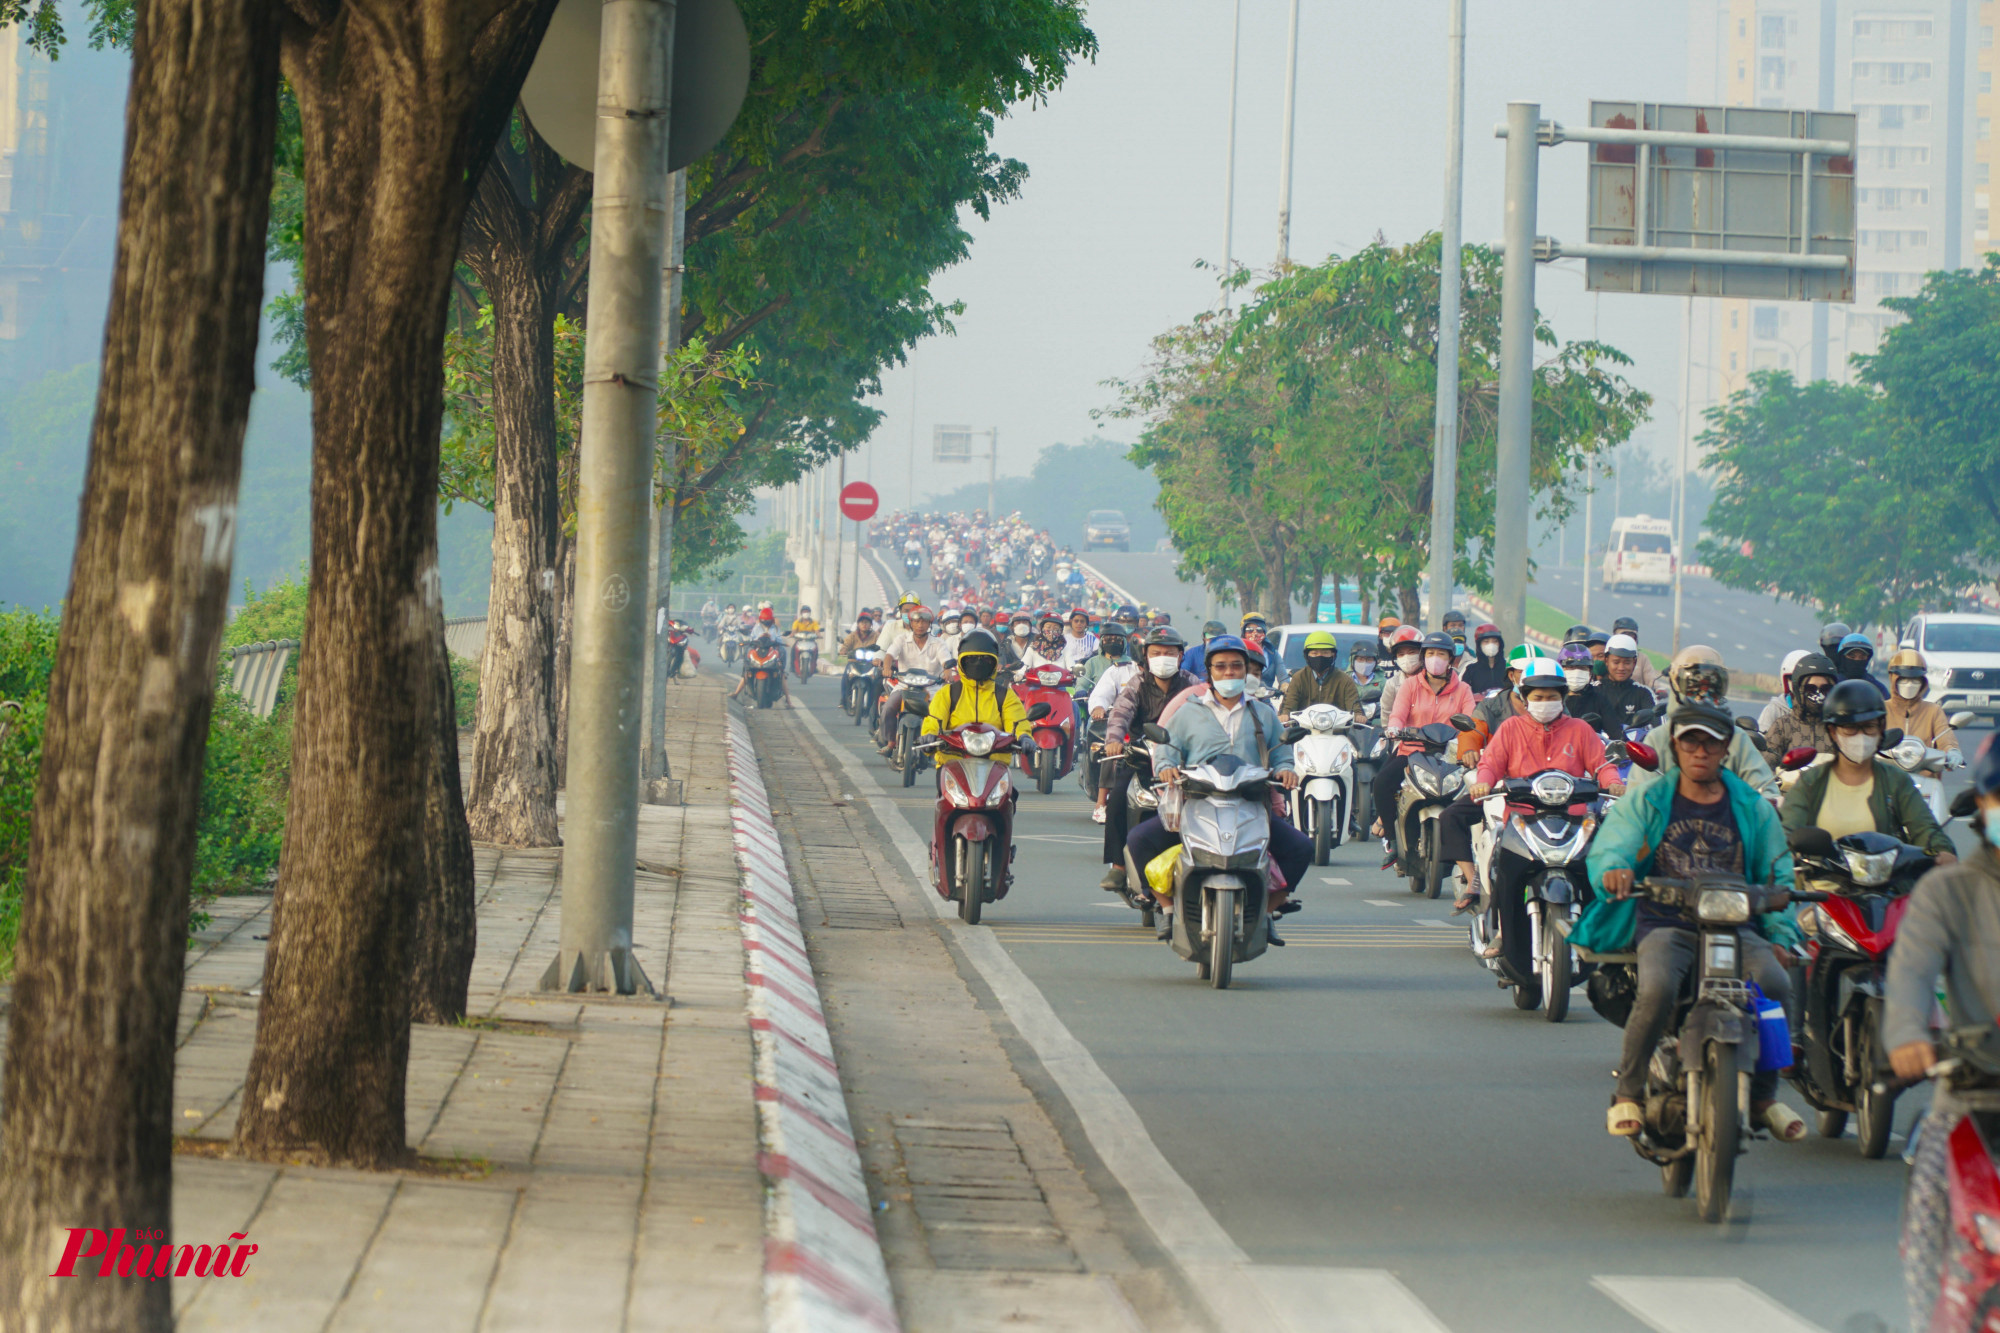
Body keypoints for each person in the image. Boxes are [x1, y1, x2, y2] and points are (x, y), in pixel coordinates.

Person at [1587, 701, 1808, 1143]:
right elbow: (1612, 846)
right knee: (1657, 988)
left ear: (1726, 748)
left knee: (1776, 984)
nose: (1700, 751)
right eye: (1691, 741)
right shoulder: (1650, 799)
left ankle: (1764, 1096)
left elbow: (1777, 872)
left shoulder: (1751, 806)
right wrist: (1615, 867)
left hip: (1737, 927)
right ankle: (1628, 1091)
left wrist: (1782, 931)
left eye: (1711, 742)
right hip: (1667, 922)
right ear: (1675, 745)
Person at [1886, 737, 2000, 1333]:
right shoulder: (1947, 892)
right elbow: (1910, 974)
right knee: (1931, 1207)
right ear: (1980, 803)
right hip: (1971, 1100)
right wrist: (1908, 1034)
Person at [1123, 636, 1309, 941]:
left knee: (1300, 849)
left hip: (1250, 804)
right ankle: (1166, 907)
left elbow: (1280, 751)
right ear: (1209, 672)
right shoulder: (1189, 711)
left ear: (1246, 670)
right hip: (1196, 801)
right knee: (1139, 839)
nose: (1229, 673)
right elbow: (1168, 746)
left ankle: (1267, 911)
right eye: (1221, 667)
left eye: (1236, 666)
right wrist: (1167, 766)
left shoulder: (1262, 713)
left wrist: (1286, 769)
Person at [1446, 659, 1624, 963]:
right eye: (1538, 697)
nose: (1545, 703)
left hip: (1574, 821)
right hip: (1521, 820)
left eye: (1553, 696)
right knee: (1506, 873)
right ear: (1526, 696)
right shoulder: (1510, 729)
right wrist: (1483, 784)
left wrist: (1614, 783)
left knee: (1597, 872)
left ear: (1563, 698)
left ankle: (1598, 933)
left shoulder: (1580, 730)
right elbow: (1491, 765)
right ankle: (1503, 931)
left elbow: (1602, 765)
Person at [1780, 679, 1956, 858]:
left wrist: (1942, 852)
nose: (1861, 736)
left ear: (1881, 728)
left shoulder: (1895, 781)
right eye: (1850, 728)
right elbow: (1786, 835)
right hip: (1821, 882)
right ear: (1833, 731)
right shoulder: (1811, 782)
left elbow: (1925, 828)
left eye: (1868, 727)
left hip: (1883, 881)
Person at [1100, 628, 1199, 891]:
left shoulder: (1192, 684)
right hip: (1141, 758)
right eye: (1156, 653)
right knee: (1117, 798)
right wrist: (1113, 740)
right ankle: (1119, 867)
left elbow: (1206, 714)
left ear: (1180, 656)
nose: (1163, 658)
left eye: (1169, 653)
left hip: (1183, 760)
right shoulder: (1137, 683)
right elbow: (1120, 713)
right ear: (1146, 656)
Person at [1371, 631, 1476, 865]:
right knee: (1382, 783)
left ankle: (1470, 850)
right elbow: (1397, 715)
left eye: (1441, 654)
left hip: (1449, 755)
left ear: (1451, 659)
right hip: (1412, 751)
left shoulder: (1464, 690)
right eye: (1430, 653)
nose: (1435, 658)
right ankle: (1392, 840)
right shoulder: (1410, 686)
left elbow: (1471, 721)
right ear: (1423, 657)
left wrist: (1470, 742)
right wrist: (1394, 729)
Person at [1624, 646, 1780, 801]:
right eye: (1692, 685)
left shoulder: (1737, 739)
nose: (1703, 694)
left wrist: (1771, 801)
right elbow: (1636, 801)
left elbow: (1763, 786)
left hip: (1726, 822)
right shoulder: (1658, 738)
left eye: (1712, 686)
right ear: (1675, 683)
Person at [921, 628, 1030, 750]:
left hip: (994, 762)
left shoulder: (1005, 696)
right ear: (961, 661)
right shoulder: (948, 693)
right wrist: (929, 734)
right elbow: (934, 719)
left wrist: (1024, 736)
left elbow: (1017, 721)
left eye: (985, 659)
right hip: (952, 759)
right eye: (971, 659)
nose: (978, 663)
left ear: (994, 662)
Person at [1457, 643, 1545, 768]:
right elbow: (1471, 732)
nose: (1530, 677)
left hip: (1549, 779)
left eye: (1536, 672)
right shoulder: (1490, 706)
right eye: (1523, 672)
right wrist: (1469, 751)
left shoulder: (1556, 706)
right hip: (1501, 776)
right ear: (1511, 675)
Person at [877, 607, 950, 752]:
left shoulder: (938, 643)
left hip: (931, 688)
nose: (920, 625)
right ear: (911, 623)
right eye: (916, 621)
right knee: (888, 708)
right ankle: (891, 742)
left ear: (930, 623)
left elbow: (946, 661)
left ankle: (938, 743)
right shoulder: (901, 639)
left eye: (924, 621)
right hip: (905, 686)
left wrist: (947, 672)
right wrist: (887, 668)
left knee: (941, 713)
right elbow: (889, 655)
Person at [1885, 648, 1963, 758]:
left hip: (1925, 773)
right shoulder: (1882, 710)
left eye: (1915, 680)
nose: (1909, 685)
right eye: (1903, 680)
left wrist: (1952, 751)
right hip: (1888, 772)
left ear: (1923, 682)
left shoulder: (1933, 711)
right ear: (1893, 679)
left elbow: (1945, 737)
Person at [1280, 630, 1361, 716]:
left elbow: (1354, 706)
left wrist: (1358, 715)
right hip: (1303, 728)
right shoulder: (1299, 678)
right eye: (1314, 653)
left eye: (1325, 653)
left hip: (1336, 728)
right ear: (1307, 656)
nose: (1320, 656)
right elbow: (1289, 704)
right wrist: (1285, 714)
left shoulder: (1345, 680)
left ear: (1333, 655)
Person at [1593, 634, 1657, 733]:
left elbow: (1656, 727)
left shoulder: (1644, 693)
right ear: (1606, 661)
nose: (1621, 668)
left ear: (1634, 663)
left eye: (1627, 663)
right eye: (1616, 662)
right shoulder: (1593, 690)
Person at [1377, 625, 1426, 723]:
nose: (1407, 657)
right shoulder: (1392, 684)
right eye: (1401, 654)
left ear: (1421, 654)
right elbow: (1387, 715)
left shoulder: (1431, 679)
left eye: (1412, 652)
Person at [730, 628, 790, 706]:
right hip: (758, 661)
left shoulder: (775, 645)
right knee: (746, 673)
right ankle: (736, 693)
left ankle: (788, 701)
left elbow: (780, 649)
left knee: (782, 675)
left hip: (771, 661)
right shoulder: (756, 632)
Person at [1757, 648, 1812, 733]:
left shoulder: (1822, 710)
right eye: (1792, 678)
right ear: (1785, 680)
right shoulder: (1774, 710)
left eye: (1804, 679)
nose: (1798, 684)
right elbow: (1762, 739)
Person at [1557, 642, 1609, 723]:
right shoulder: (1554, 699)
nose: (1577, 672)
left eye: (1582, 668)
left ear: (1590, 672)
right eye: (1571, 667)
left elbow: (1615, 732)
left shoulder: (1600, 699)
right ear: (1561, 669)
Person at [1611, 616, 1662, 692]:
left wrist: (1659, 689)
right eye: (1624, 636)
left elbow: (1651, 678)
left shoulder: (1642, 658)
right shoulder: (1609, 654)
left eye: (1632, 637)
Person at [1834, 631, 1891, 699]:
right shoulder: (1833, 685)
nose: (1857, 660)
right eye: (1852, 656)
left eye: (1862, 657)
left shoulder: (1877, 688)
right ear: (1842, 658)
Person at [1460, 622, 1510, 694]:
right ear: (1479, 644)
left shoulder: (1508, 667)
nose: (1491, 645)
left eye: (1495, 641)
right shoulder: (1470, 668)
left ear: (1500, 644)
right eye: (1486, 642)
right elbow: (1462, 694)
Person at [1240, 613, 1278, 688]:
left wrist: (1285, 685)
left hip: (1265, 697)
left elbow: (1283, 677)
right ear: (1244, 632)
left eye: (1259, 630)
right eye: (1249, 630)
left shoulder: (1273, 653)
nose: (1255, 634)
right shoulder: (1237, 652)